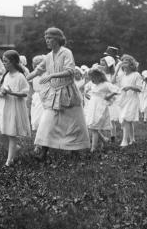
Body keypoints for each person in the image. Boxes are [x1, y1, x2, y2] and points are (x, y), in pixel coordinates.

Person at [26, 27, 90, 160]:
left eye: (49, 38)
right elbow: (38, 70)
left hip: (68, 92)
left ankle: (75, 151)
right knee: (47, 121)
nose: (47, 41)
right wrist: (25, 78)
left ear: (57, 39)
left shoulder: (66, 52)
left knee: (73, 123)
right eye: (46, 39)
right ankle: (43, 152)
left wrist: (51, 76)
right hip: (54, 93)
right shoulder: (48, 56)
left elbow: (70, 71)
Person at [0, 50, 31, 166]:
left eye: (6, 62)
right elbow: (3, 89)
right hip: (5, 107)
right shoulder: (6, 76)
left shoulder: (20, 76)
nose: (3, 64)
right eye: (3, 61)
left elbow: (25, 93)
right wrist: (0, 93)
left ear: (13, 62)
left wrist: (12, 93)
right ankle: (15, 148)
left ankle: (9, 160)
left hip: (14, 107)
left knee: (11, 133)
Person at [84, 68, 119, 152]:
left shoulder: (106, 84)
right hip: (92, 107)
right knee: (91, 126)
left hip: (100, 107)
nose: (91, 80)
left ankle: (93, 148)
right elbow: (93, 94)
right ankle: (103, 139)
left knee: (95, 127)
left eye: (93, 78)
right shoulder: (93, 85)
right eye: (90, 78)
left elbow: (117, 90)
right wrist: (87, 95)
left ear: (99, 77)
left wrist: (108, 96)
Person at [114, 54, 142, 147]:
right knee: (128, 120)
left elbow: (139, 88)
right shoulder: (122, 75)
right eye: (122, 62)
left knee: (125, 118)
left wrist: (130, 87)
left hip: (132, 98)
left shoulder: (136, 75)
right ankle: (132, 139)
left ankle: (124, 141)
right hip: (123, 99)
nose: (123, 63)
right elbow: (112, 81)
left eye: (126, 62)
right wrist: (117, 68)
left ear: (131, 64)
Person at [30, 55, 46, 132]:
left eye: (38, 64)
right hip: (35, 97)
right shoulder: (33, 75)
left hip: (44, 97)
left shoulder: (46, 75)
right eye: (34, 64)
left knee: (42, 119)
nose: (36, 66)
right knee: (35, 120)